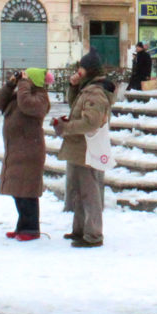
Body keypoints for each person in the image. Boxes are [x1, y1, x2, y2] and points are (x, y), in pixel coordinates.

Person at [53, 50, 116, 248]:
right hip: (81, 148)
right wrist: (72, 86)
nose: (77, 70)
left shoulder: (96, 92)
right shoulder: (88, 88)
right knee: (79, 191)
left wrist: (66, 128)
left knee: (89, 192)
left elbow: (91, 122)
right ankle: (80, 229)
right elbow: (75, 107)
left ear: (87, 70)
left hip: (88, 148)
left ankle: (93, 234)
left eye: (80, 67)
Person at [0, 67, 52, 241]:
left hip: (30, 151)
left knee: (27, 192)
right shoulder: (20, 93)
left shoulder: (40, 97)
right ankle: (22, 226)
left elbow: (27, 105)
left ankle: (31, 229)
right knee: (17, 191)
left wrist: (23, 84)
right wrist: (10, 84)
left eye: (27, 78)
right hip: (16, 149)